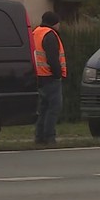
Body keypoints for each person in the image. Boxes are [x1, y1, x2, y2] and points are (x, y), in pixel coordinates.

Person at [33, 11, 66, 146]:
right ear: (55, 23)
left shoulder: (36, 33)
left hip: (38, 76)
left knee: (43, 109)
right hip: (50, 76)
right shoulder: (50, 35)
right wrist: (58, 74)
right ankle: (49, 137)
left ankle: (39, 137)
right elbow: (52, 58)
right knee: (54, 108)